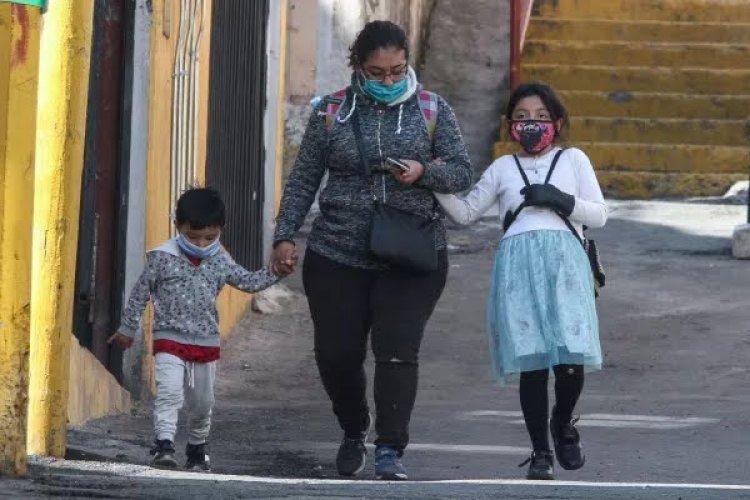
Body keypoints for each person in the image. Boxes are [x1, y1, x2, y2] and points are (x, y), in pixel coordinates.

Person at [271, 20, 472, 480]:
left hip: (411, 254)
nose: (388, 81)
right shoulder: (331, 112)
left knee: (397, 350)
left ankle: (389, 449)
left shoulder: (432, 109)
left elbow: (461, 173)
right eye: (377, 72)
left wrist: (424, 171)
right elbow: (304, 178)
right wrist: (285, 234)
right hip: (336, 251)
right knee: (336, 354)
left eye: (397, 71)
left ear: (408, 65)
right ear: (358, 67)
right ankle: (352, 428)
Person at [434, 82, 607, 480]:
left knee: (569, 359)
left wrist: (561, 200)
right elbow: (464, 213)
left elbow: (598, 214)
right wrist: (435, 181)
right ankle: (540, 452)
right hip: (517, 268)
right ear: (510, 125)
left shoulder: (573, 159)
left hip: (565, 265)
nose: (532, 125)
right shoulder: (501, 168)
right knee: (531, 363)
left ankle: (562, 424)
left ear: (558, 122)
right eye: (522, 118)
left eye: (541, 118)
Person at [108, 187, 284, 471]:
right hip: (169, 337)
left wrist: (275, 272)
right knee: (169, 393)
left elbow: (248, 282)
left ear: (220, 232)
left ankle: (197, 448)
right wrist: (128, 328)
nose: (202, 244)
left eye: (210, 237)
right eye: (193, 236)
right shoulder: (162, 258)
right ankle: (163, 444)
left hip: (206, 341)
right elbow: (140, 293)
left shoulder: (220, 259)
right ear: (178, 226)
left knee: (202, 403)